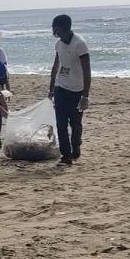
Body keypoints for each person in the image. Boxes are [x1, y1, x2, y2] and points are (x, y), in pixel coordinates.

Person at [48, 14, 91, 165]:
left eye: (55, 27)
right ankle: (66, 156)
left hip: (77, 90)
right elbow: (56, 65)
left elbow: (87, 70)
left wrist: (85, 96)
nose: (53, 30)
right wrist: (51, 88)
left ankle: (76, 145)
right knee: (61, 123)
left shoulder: (79, 44)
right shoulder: (59, 44)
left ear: (62, 27)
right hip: (61, 88)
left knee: (75, 123)